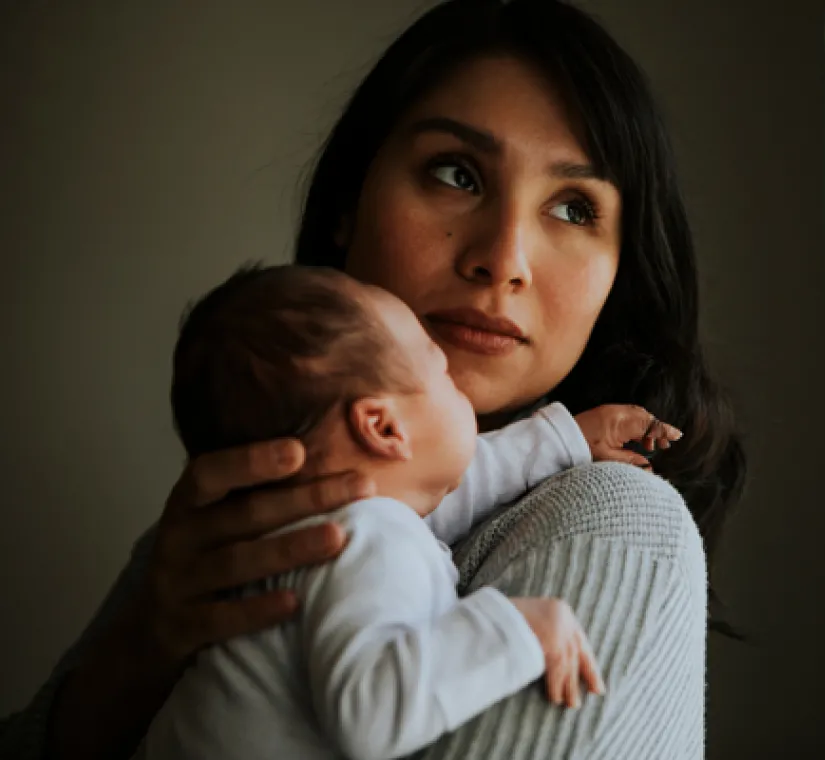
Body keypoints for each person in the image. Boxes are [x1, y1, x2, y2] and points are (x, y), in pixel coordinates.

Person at [0, 1, 745, 758]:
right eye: (456, 173)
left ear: (620, 278)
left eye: (574, 206)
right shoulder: (211, 544)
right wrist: (135, 657)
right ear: (347, 207)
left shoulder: (615, 518)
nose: (504, 259)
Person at [135, 264, 678, 759]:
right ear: (385, 428)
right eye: (441, 372)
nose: (455, 384)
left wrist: (569, 438)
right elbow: (371, 715)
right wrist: (517, 626)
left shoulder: (333, 530)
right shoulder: (364, 539)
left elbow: (460, 480)